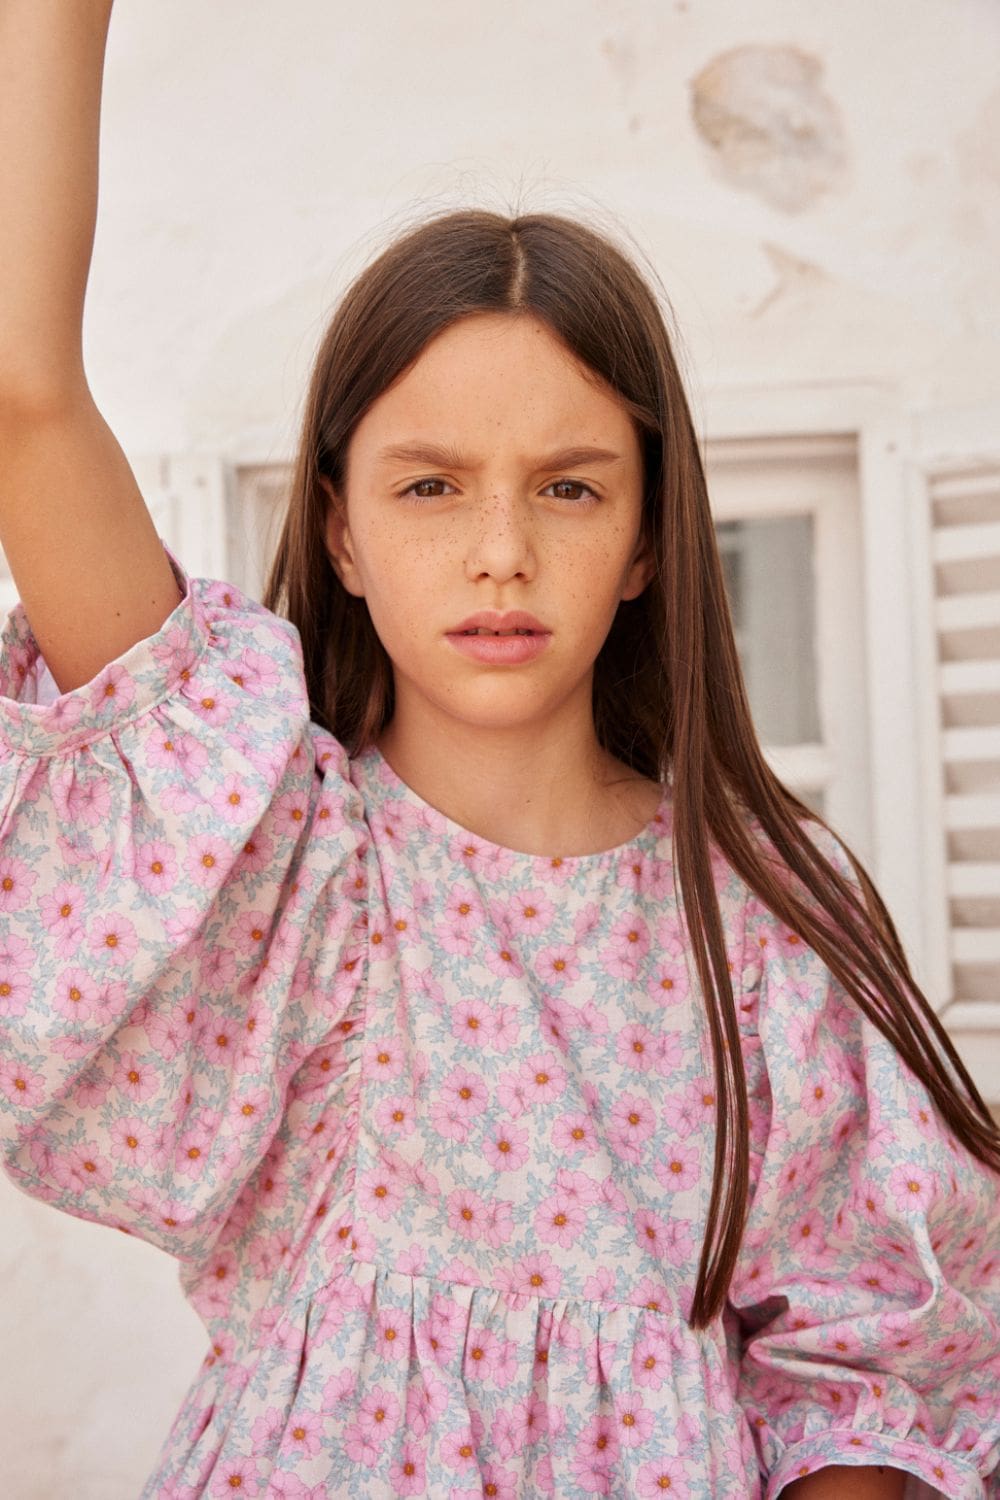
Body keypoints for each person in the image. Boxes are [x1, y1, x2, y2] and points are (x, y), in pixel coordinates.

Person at [0, 5, 998, 1499]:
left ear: (654, 534)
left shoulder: (769, 916)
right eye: (429, 486)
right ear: (338, 528)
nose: (501, 556)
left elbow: (871, 1381)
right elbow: (26, 403)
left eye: (573, 489)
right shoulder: (278, 860)